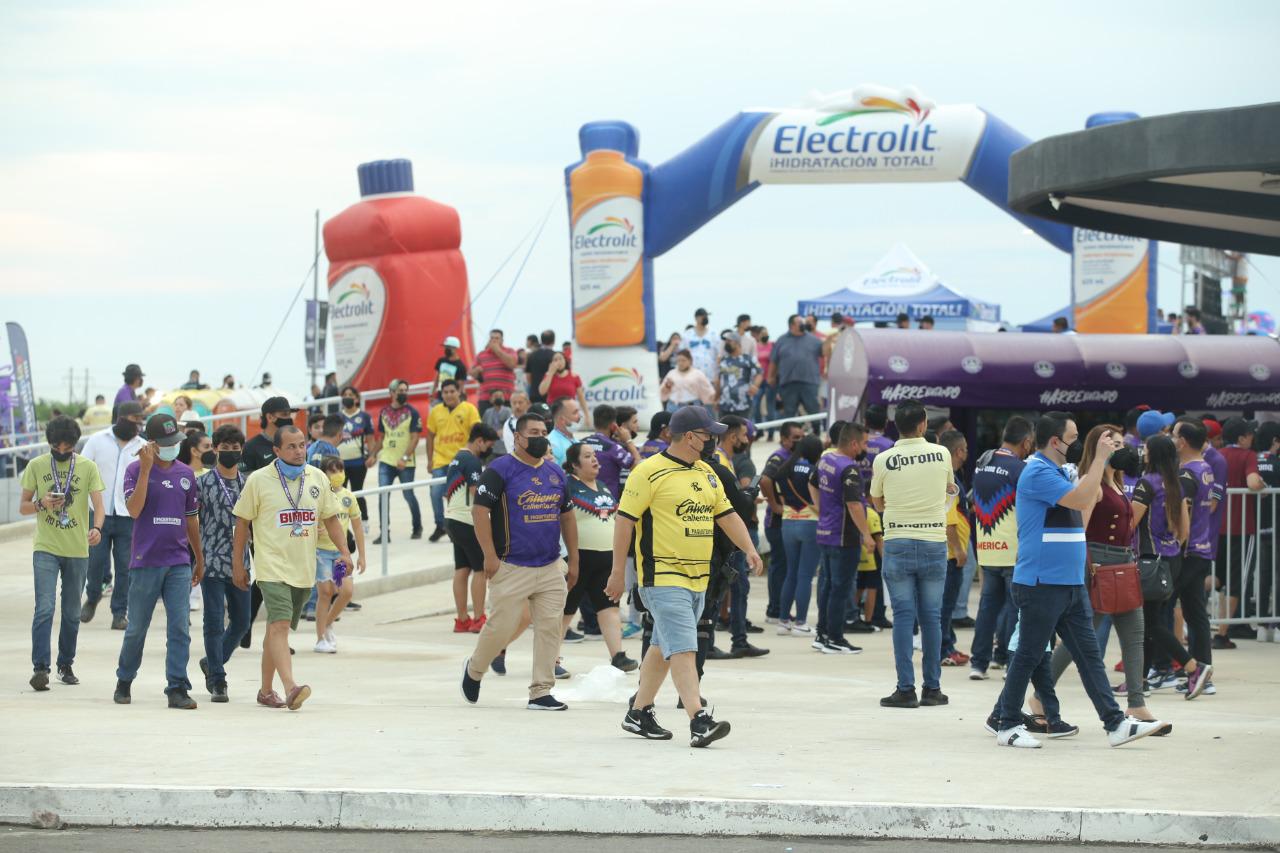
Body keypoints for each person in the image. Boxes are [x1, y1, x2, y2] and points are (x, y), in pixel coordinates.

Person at [990, 414, 1166, 748]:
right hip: (1042, 581)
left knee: (1088, 655)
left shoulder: (1058, 471)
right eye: (1073, 436)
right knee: (1028, 654)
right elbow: (1082, 499)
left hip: (1068, 582)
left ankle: (1115, 723)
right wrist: (1099, 458)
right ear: (1055, 442)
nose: (1079, 441)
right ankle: (1007, 724)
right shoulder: (1038, 472)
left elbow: (1086, 497)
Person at [606, 406, 762, 747]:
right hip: (662, 576)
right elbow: (624, 521)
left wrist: (750, 548)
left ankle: (638, 712)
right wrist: (618, 571)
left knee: (664, 646)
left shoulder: (706, 472)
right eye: (708, 435)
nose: (713, 441)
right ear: (690, 437)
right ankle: (698, 719)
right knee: (685, 648)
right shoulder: (648, 472)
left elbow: (727, 514)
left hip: (697, 577)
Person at [1038, 425, 1157, 725]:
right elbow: (1080, 528)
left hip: (1123, 563)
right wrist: (1085, 569)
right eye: (1113, 444)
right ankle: (1039, 695)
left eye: (1120, 443)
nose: (1120, 449)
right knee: (1079, 638)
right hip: (1097, 564)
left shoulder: (1117, 482)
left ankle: (1137, 704)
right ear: (1099, 448)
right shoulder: (1091, 485)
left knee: (1134, 634)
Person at [461, 414, 579, 711]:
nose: (541, 437)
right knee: (501, 627)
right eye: (534, 432)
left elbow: (567, 516)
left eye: (544, 432)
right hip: (511, 564)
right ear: (518, 437)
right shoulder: (500, 470)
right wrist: (489, 555)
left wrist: (573, 559)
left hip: (551, 565)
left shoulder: (555, 473)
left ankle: (541, 691)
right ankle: (475, 669)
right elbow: (479, 512)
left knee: (550, 628)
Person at [231, 425, 352, 711]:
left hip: (303, 567)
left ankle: (264, 691)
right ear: (276, 451)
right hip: (271, 566)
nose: (299, 451)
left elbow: (332, 519)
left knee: (276, 629)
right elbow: (242, 523)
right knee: (281, 625)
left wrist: (345, 552)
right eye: (292, 447)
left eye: (302, 445)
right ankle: (290, 688)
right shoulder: (258, 481)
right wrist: (239, 563)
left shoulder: (317, 477)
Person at [113, 413, 204, 709]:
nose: (172, 447)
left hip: (178, 560)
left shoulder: (186, 475)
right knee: (137, 627)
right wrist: (146, 470)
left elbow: (191, 520)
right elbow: (135, 510)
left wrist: (198, 557)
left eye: (174, 441)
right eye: (165, 443)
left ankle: (177, 687)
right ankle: (124, 680)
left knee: (180, 628)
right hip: (145, 561)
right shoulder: (135, 469)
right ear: (151, 444)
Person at [870, 401, 953, 709]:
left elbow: (877, 501)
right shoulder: (942, 453)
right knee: (932, 616)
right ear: (923, 424)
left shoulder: (884, 459)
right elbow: (950, 488)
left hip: (898, 540)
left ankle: (905, 689)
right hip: (933, 539)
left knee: (903, 617)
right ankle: (932, 688)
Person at [20, 416, 105, 691]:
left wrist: (98, 529)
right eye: (57, 446)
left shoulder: (87, 467)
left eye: (67, 447)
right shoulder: (36, 465)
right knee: (44, 608)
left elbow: (98, 506)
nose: (62, 451)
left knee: (70, 612)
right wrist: (41, 503)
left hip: (77, 548)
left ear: (74, 445)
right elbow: (23, 507)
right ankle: (40, 668)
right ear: (50, 444)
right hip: (45, 546)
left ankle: (65, 664)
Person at [1132, 433, 1212, 697]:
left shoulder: (1147, 483)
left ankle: (1192, 667)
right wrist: (1170, 544)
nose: (1143, 453)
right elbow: (1184, 529)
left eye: (1146, 450)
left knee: (1150, 623)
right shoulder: (1176, 483)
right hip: (1172, 558)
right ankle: (1139, 681)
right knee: (1149, 620)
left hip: (1150, 559)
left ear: (1152, 455)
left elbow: (1130, 522)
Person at [563, 442, 638, 672]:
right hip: (579, 559)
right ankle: (551, 659)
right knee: (566, 611)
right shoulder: (568, 487)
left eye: (594, 455)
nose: (595, 460)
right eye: (587, 456)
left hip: (606, 560)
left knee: (609, 609)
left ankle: (618, 656)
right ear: (575, 465)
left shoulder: (603, 486)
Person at [969, 416, 1034, 679]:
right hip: (1013, 549)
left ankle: (979, 663)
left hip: (987, 547)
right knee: (1014, 607)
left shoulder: (982, 463)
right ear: (1027, 441)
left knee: (987, 607)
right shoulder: (1020, 469)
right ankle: (1008, 661)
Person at [195, 424, 251, 702]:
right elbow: (192, 520)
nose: (230, 452)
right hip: (211, 560)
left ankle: (212, 660)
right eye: (225, 448)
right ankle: (218, 679)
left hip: (241, 561)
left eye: (234, 448)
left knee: (242, 622)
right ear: (215, 449)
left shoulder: (249, 483)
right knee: (214, 621)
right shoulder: (202, 483)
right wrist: (195, 557)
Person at [79, 401, 146, 629]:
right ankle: (93, 595)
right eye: (134, 421)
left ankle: (119, 613)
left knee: (125, 567)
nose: (137, 427)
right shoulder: (97, 440)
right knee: (95, 563)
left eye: (139, 423)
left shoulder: (142, 447)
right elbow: (80, 469)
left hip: (129, 516)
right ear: (121, 418)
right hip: (98, 514)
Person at [813, 422, 873, 654]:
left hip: (826, 532)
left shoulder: (826, 459)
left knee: (828, 586)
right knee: (840, 588)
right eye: (864, 443)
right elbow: (854, 504)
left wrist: (822, 510)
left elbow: (812, 484)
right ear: (854, 443)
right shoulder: (850, 468)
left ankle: (822, 633)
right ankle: (835, 638)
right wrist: (866, 534)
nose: (865, 448)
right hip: (843, 536)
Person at [1171, 417, 1218, 693]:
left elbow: (1183, 512)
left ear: (1184, 441)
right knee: (1195, 612)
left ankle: (1174, 668)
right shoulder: (1206, 467)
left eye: (1175, 435)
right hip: (1202, 549)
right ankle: (1202, 673)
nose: (1172, 440)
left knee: (1160, 609)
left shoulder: (1187, 473)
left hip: (1187, 551)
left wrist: (1175, 541)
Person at [1214, 416, 1266, 647]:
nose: (1253, 438)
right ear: (1243, 438)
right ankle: (1222, 633)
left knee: (1215, 576)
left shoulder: (1217, 455)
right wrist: (1262, 487)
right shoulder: (1248, 456)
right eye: (1250, 434)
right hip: (1241, 527)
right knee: (1237, 581)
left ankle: (1177, 604)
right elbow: (1254, 483)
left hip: (1216, 526)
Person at [445, 424, 498, 632]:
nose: (488, 450)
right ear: (479, 441)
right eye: (488, 445)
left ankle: (462, 619)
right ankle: (478, 618)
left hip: (451, 518)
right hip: (467, 521)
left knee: (461, 569)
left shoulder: (457, 458)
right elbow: (477, 492)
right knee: (479, 570)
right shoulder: (472, 461)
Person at [312, 456, 367, 653]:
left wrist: (361, 555)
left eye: (340, 470)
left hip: (339, 554)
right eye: (332, 471)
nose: (338, 475)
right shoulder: (318, 496)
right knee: (325, 592)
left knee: (345, 591)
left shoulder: (348, 497)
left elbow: (358, 527)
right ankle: (320, 639)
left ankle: (327, 623)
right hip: (320, 552)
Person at [775, 435, 824, 637]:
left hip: (788, 521)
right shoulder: (815, 471)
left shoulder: (784, 469)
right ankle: (801, 622)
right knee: (805, 575)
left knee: (791, 573)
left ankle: (783, 620)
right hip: (810, 522)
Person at [366, 379, 423, 543]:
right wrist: (373, 454)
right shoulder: (383, 412)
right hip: (387, 461)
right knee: (383, 496)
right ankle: (385, 533)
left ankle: (417, 527)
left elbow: (415, 438)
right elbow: (382, 438)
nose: (404, 393)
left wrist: (405, 457)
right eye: (400, 390)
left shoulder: (413, 412)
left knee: (409, 495)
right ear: (391, 393)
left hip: (406, 463)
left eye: (406, 390)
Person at [425, 379, 481, 542]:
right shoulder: (435, 411)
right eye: (445, 392)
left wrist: (474, 458)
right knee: (435, 492)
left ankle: (460, 525)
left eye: (452, 391)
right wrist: (429, 460)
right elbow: (430, 436)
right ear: (441, 394)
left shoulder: (469, 409)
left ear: (459, 392)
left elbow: (476, 432)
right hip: (441, 461)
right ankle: (440, 525)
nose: (449, 395)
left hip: (462, 461)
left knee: (459, 496)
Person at [760, 421, 803, 623]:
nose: (799, 441)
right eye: (795, 438)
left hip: (788, 521)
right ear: (784, 439)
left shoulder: (795, 457)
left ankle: (778, 608)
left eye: (801, 437)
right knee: (780, 567)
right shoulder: (779, 457)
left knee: (785, 567)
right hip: (777, 523)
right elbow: (765, 480)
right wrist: (775, 505)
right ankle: (775, 609)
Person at [937, 430, 972, 667]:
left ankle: (947, 644)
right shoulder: (949, 479)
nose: (967, 453)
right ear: (959, 451)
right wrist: (958, 549)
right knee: (945, 606)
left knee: (944, 605)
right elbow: (949, 517)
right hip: (950, 554)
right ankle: (943, 650)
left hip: (947, 551)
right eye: (966, 449)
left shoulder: (948, 475)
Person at [769, 314, 823, 422]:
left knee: (813, 410)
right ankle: (789, 436)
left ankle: (817, 433)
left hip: (809, 382)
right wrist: (771, 376)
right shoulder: (781, 340)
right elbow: (774, 361)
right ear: (791, 325)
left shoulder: (814, 340)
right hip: (788, 383)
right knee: (789, 413)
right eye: (799, 322)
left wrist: (829, 341)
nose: (803, 324)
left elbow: (825, 354)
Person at [580, 404, 639, 500]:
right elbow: (637, 466)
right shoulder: (613, 448)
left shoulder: (580, 443)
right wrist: (629, 441)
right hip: (607, 502)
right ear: (613, 426)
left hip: (583, 500)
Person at [337, 386, 374, 522]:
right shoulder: (337, 417)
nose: (348, 397)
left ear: (357, 398)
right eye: (345, 395)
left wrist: (371, 456)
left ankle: (363, 520)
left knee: (358, 492)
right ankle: (342, 522)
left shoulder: (364, 416)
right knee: (340, 494)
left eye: (351, 395)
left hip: (359, 462)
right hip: (339, 464)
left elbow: (370, 438)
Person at [471, 329, 518, 414]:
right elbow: (471, 373)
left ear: (502, 340)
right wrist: (477, 370)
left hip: (506, 397)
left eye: (497, 338)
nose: (494, 340)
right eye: (492, 338)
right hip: (486, 397)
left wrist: (497, 350)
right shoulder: (482, 354)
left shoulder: (509, 351)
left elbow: (512, 364)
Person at [715, 333, 761, 419]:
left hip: (743, 404)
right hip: (724, 404)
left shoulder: (748, 359)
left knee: (743, 430)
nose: (726, 343)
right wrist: (716, 399)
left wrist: (755, 385)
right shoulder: (723, 361)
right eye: (725, 341)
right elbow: (719, 381)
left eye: (729, 341)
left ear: (737, 343)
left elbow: (759, 373)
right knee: (723, 431)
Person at [681, 307, 719, 383]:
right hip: (691, 376)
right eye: (703, 316)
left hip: (710, 376)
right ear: (696, 318)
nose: (706, 318)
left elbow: (719, 355)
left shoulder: (713, 334)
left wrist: (717, 375)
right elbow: (682, 354)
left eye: (707, 316)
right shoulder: (688, 334)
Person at [752, 326, 777, 435]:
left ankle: (771, 432)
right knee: (755, 405)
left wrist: (774, 376)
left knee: (770, 406)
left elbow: (776, 362)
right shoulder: (755, 347)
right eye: (763, 333)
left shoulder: (772, 346)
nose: (765, 335)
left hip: (770, 379)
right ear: (759, 335)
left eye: (766, 333)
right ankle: (759, 430)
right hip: (758, 380)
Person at [525, 329, 558, 403]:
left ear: (541, 340)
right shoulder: (556, 357)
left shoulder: (532, 356)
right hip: (551, 394)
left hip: (535, 393)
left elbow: (528, 377)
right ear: (554, 341)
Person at [547, 398, 581, 465]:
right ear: (562, 419)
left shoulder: (574, 440)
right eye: (575, 413)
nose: (580, 416)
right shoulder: (553, 444)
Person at [498, 390, 530, 457]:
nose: (517, 406)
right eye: (514, 403)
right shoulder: (508, 425)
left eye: (520, 402)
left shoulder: (535, 420)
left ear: (528, 403)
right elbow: (511, 450)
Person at [481, 390, 512, 456]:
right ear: (491, 399)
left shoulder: (508, 411)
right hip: (491, 447)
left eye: (501, 396)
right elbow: (483, 427)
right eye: (496, 396)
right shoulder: (487, 412)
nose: (498, 398)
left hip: (505, 446)